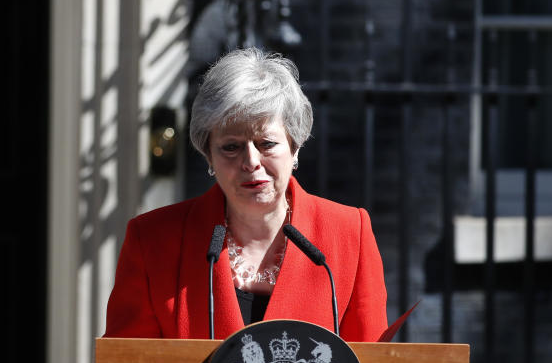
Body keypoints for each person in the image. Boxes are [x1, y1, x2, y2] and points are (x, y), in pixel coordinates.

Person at [103, 47, 387, 342]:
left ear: (295, 146)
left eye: (266, 143)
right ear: (209, 156)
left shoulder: (350, 234)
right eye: (231, 147)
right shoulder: (153, 240)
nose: (251, 162)